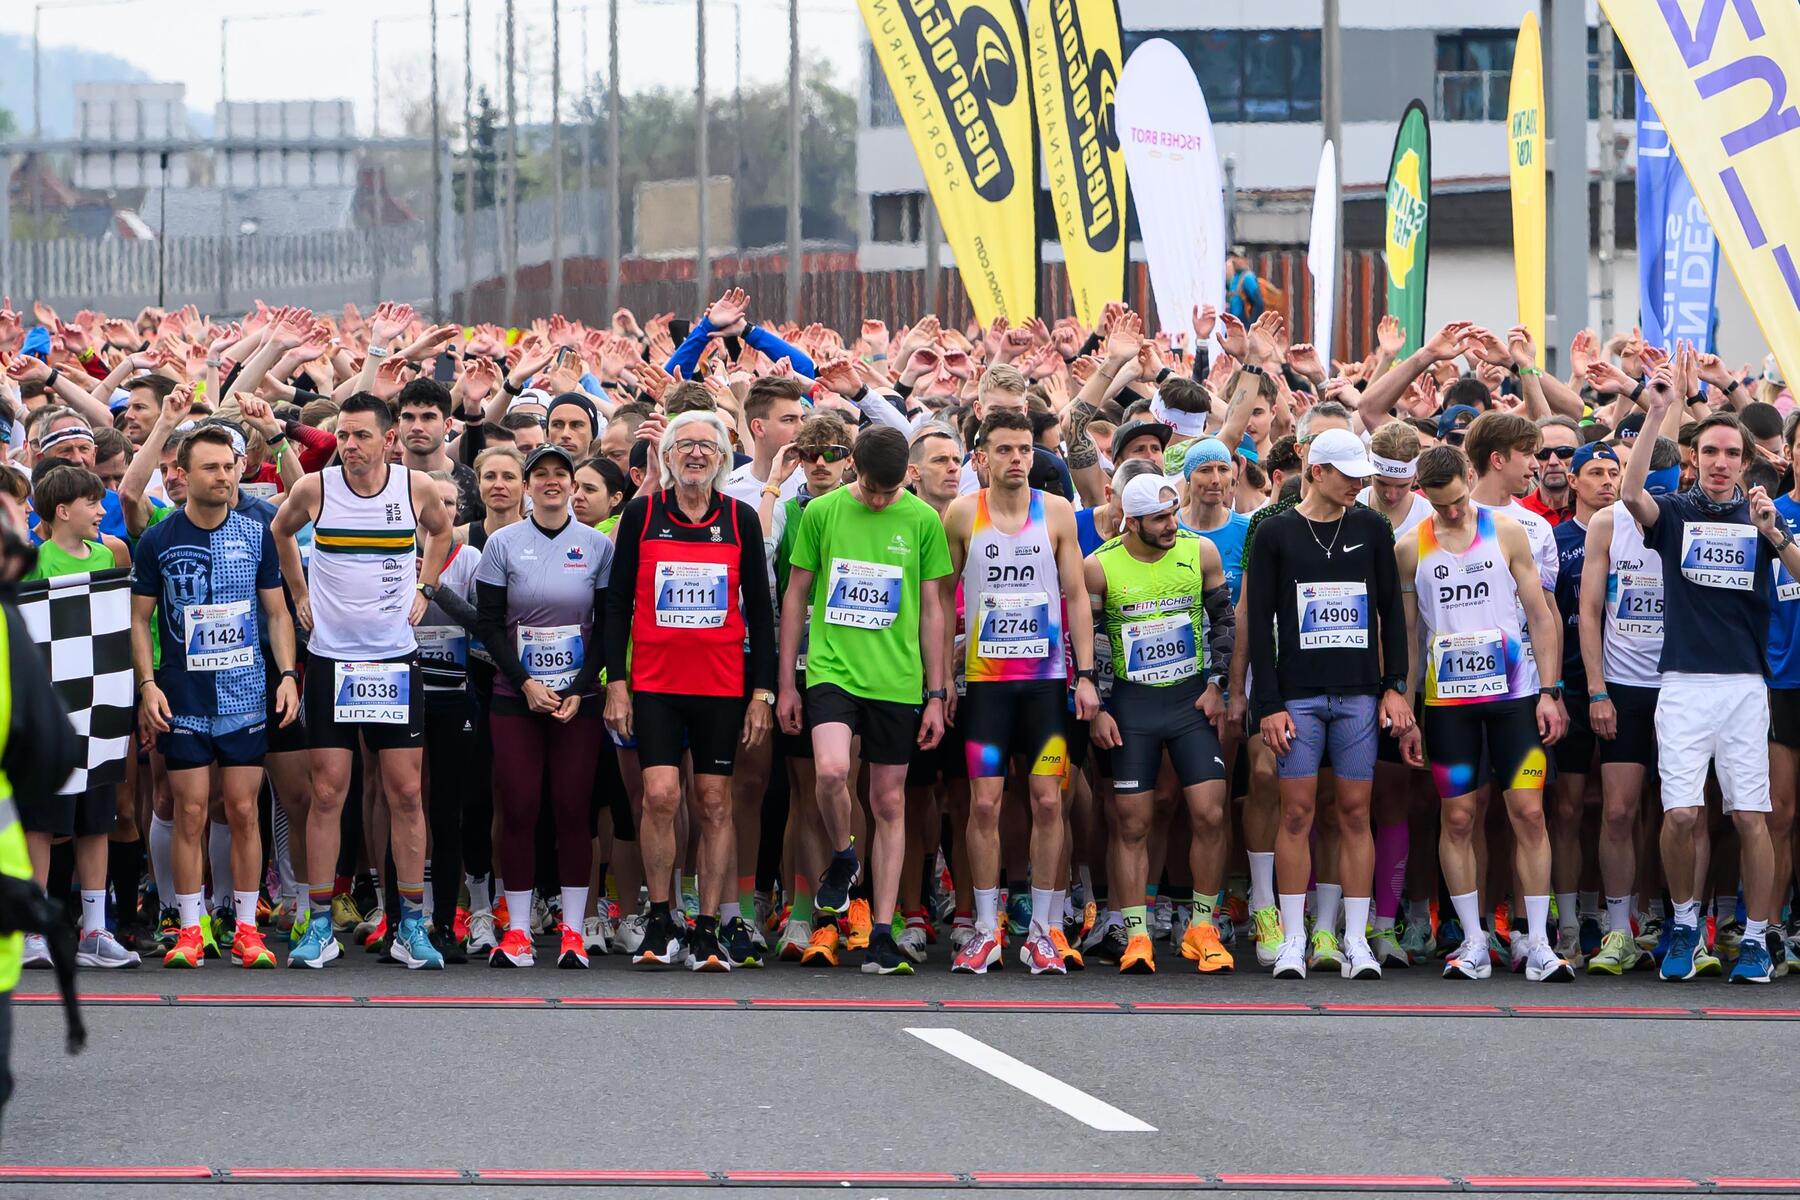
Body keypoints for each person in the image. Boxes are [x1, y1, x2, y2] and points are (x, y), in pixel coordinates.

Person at [1621, 370, 1799, 984]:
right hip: (1682, 685)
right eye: (1710, 453)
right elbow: (1630, 494)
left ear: (1746, 463)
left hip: (1745, 687)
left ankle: (1755, 938)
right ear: (1694, 460)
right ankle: (1683, 925)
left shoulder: (1762, 516)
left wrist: (1774, 532)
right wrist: (1655, 412)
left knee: (1751, 817)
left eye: (1731, 454)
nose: (1720, 463)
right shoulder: (1674, 512)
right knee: (1680, 816)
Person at [272, 393, 454, 970]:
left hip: (393, 660)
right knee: (328, 792)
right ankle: (319, 924)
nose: (349, 446)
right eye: (344, 436)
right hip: (331, 659)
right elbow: (281, 531)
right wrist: (299, 593)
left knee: (406, 792)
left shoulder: (414, 488)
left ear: (388, 439)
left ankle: (411, 925)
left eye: (361, 436)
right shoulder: (316, 489)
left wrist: (425, 588)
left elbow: (442, 531)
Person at [777, 424, 951, 976]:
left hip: (896, 680)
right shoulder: (822, 512)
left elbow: (932, 609)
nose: (878, 500)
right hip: (832, 670)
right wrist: (786, 683)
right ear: (853, 465)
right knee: (830, 772)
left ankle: (880, 930)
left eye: (889, 491)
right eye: (872, 489)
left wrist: (936, 693)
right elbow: (796, 595)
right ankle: (843, 854)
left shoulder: (922, 519)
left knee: (889, 801)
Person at [605, 411, 774, 971]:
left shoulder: (739, 518)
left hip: (720, 686)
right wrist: (617, 683)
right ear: (668, 456)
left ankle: (706, 926)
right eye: (685, 445)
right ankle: (660, 917)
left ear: (723, 457)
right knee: (659, 796)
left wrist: (762, 694)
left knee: (715, 803)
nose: (696, 454)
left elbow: (762, 614)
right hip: (655, 684)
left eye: (707, 445)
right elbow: (616, 604)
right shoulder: (642, 514)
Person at [1396, 445, 1572, 982]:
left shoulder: (1509, 532)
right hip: (1448, 706)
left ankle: (1538, 942)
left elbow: (1540, 616)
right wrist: (1408, 707)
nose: (1451, 512)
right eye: (1439, 504)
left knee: (1529, 813)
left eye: (1457, 500)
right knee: (1457, 818)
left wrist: (1550, 691)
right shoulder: (1410, 547)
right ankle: (1473, 940)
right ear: (1423, 495)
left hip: (1514, 698)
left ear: (1470, 476)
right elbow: (1408, 635)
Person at [130, 421, 299, 969]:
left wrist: (288, 675)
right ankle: (188, 927)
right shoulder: (159, 538)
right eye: (210, 467)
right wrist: (147, 685)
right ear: (183, 473)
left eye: (229, 466)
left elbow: (278, 612)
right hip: (183, 696)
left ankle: (246, 928)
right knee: (190, 810)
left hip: (245, 694)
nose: (223, 476)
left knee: (244, 809)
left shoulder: (257, 533)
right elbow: (139, 620)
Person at [1246, 429, 1411, 980]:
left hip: (1359, 694)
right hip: (1297, 696)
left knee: (1356, 813)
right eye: (1347, 475)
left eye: (1362, 475)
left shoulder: (1372, 527)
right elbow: (1259, 623)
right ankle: (1293, 938)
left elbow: (1392, 611)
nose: (1358, 484)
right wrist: (1267, 703)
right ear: (1316, 471)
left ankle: (1355, 939)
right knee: (1296, 812)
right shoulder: (1274, 532)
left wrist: (1394, 685)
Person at [942, 410, 1098, 974]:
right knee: (984, 803)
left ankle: (1043, 930)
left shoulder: (1055, 512)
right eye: (1005, 449)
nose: (1017, 459)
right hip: (986, 689)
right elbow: (943, 600)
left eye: (1025, 449)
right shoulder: (963, 513)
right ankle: (986, 929)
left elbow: (1076, 596)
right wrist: (941, 682)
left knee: (1048, 801)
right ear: (981, 457)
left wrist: (1085, 676)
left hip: (1044, 688)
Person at [1086, 474, 1236, 974]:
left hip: (1190, 699)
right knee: (1132, 823)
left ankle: (1202, 928)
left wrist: (1218, 685)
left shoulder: (1201, 553)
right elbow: (1090, 640)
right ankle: (1135, 934)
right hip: (1132, 706)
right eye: (1160, 519)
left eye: (1174, 514)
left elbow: (1224, 621)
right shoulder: (1099, 566)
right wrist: (1099, 707)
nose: (1173, 525)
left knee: (1210, 813)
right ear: (1131, 523)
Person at [476, 445, 613, 969]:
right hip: (517, 697)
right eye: (541, 475)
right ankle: (517, 931)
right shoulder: (502, 543)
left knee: (574, 810)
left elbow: (607, 625)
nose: (551, 482)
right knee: (519, 808)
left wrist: (579, 687)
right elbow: (489, 624)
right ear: (529, 486)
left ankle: (574, 931)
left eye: (561, 474)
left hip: (578, 700)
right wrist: (526, 681)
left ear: (573, 485)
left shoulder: (596, 545)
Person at [19, 461, 135, 970]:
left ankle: (95, 930)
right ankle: (32, 930)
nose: (102, 510)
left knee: (95, 821)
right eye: (92, 502)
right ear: (62, 511)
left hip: (101, 710)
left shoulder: (109, 555)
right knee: (41, 824)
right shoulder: (33, 561)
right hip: (49, 716)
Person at [1577, 436, 1681, 976]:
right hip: (1623, 684)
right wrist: (1598, 690)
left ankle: (1678, 922)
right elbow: (1590, 611)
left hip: (1682, 684)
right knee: (1618, 810)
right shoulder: (1606, 523)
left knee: (1680, 811)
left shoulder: (1685, 518)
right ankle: (1618, 928)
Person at [1542, 442, 1620, 969]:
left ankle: (1612, 916)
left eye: (1614, 472)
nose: (1607, 481)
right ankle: (1569, 922)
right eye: (1595, 472)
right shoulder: (1556, 538)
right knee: (1568, 807)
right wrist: (1556, 689)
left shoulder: (1637, 532)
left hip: (1628, 683)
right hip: (1571, 685)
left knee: (1621, 809)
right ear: (1572, 481)